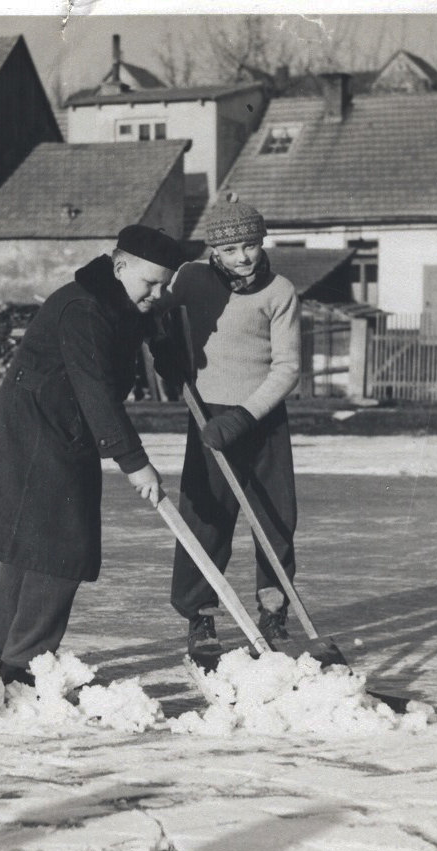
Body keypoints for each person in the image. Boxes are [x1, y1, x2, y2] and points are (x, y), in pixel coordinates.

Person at [0, 224, 188, 686]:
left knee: (33, 545)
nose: (158, 294)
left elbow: (147, 329)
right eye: (151, 283)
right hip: (41, 435)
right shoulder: (84, 309)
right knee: (61, 550)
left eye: (165, 285)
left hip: (57, 430)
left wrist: (164, 342)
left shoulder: (115, 300)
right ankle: (24, 663)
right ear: (120, 266)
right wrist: (135, 463)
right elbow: (96, 393)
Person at [152, 194, 302, 668]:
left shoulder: (280, 292)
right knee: (207, 517)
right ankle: (200, 615)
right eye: (231, 249)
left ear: (262, 242)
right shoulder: (191, 279)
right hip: (207, 415)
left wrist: (244, 416)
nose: (243, 257)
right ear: (214, 251)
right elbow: (153, 309)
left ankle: (273, 614)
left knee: (275, 518)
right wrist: (164, 351)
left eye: (251, 245)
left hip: (261, 417)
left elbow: (287, 368)